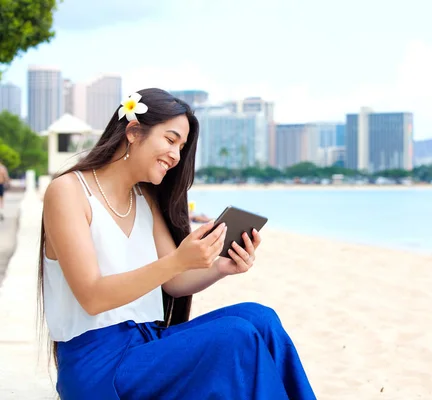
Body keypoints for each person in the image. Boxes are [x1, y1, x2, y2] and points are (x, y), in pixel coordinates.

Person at [38, 88, 316, 400]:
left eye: (181, 147)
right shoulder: (69, 191)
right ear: (133, 132)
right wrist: (178, 260)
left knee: (260, 318)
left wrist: (220, 266)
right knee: (235, 337)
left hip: (147, 347)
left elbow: (174, 281)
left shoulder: (144, 200)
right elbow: (91, 297)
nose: (176, 156)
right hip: (97, 365)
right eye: (170, 140)